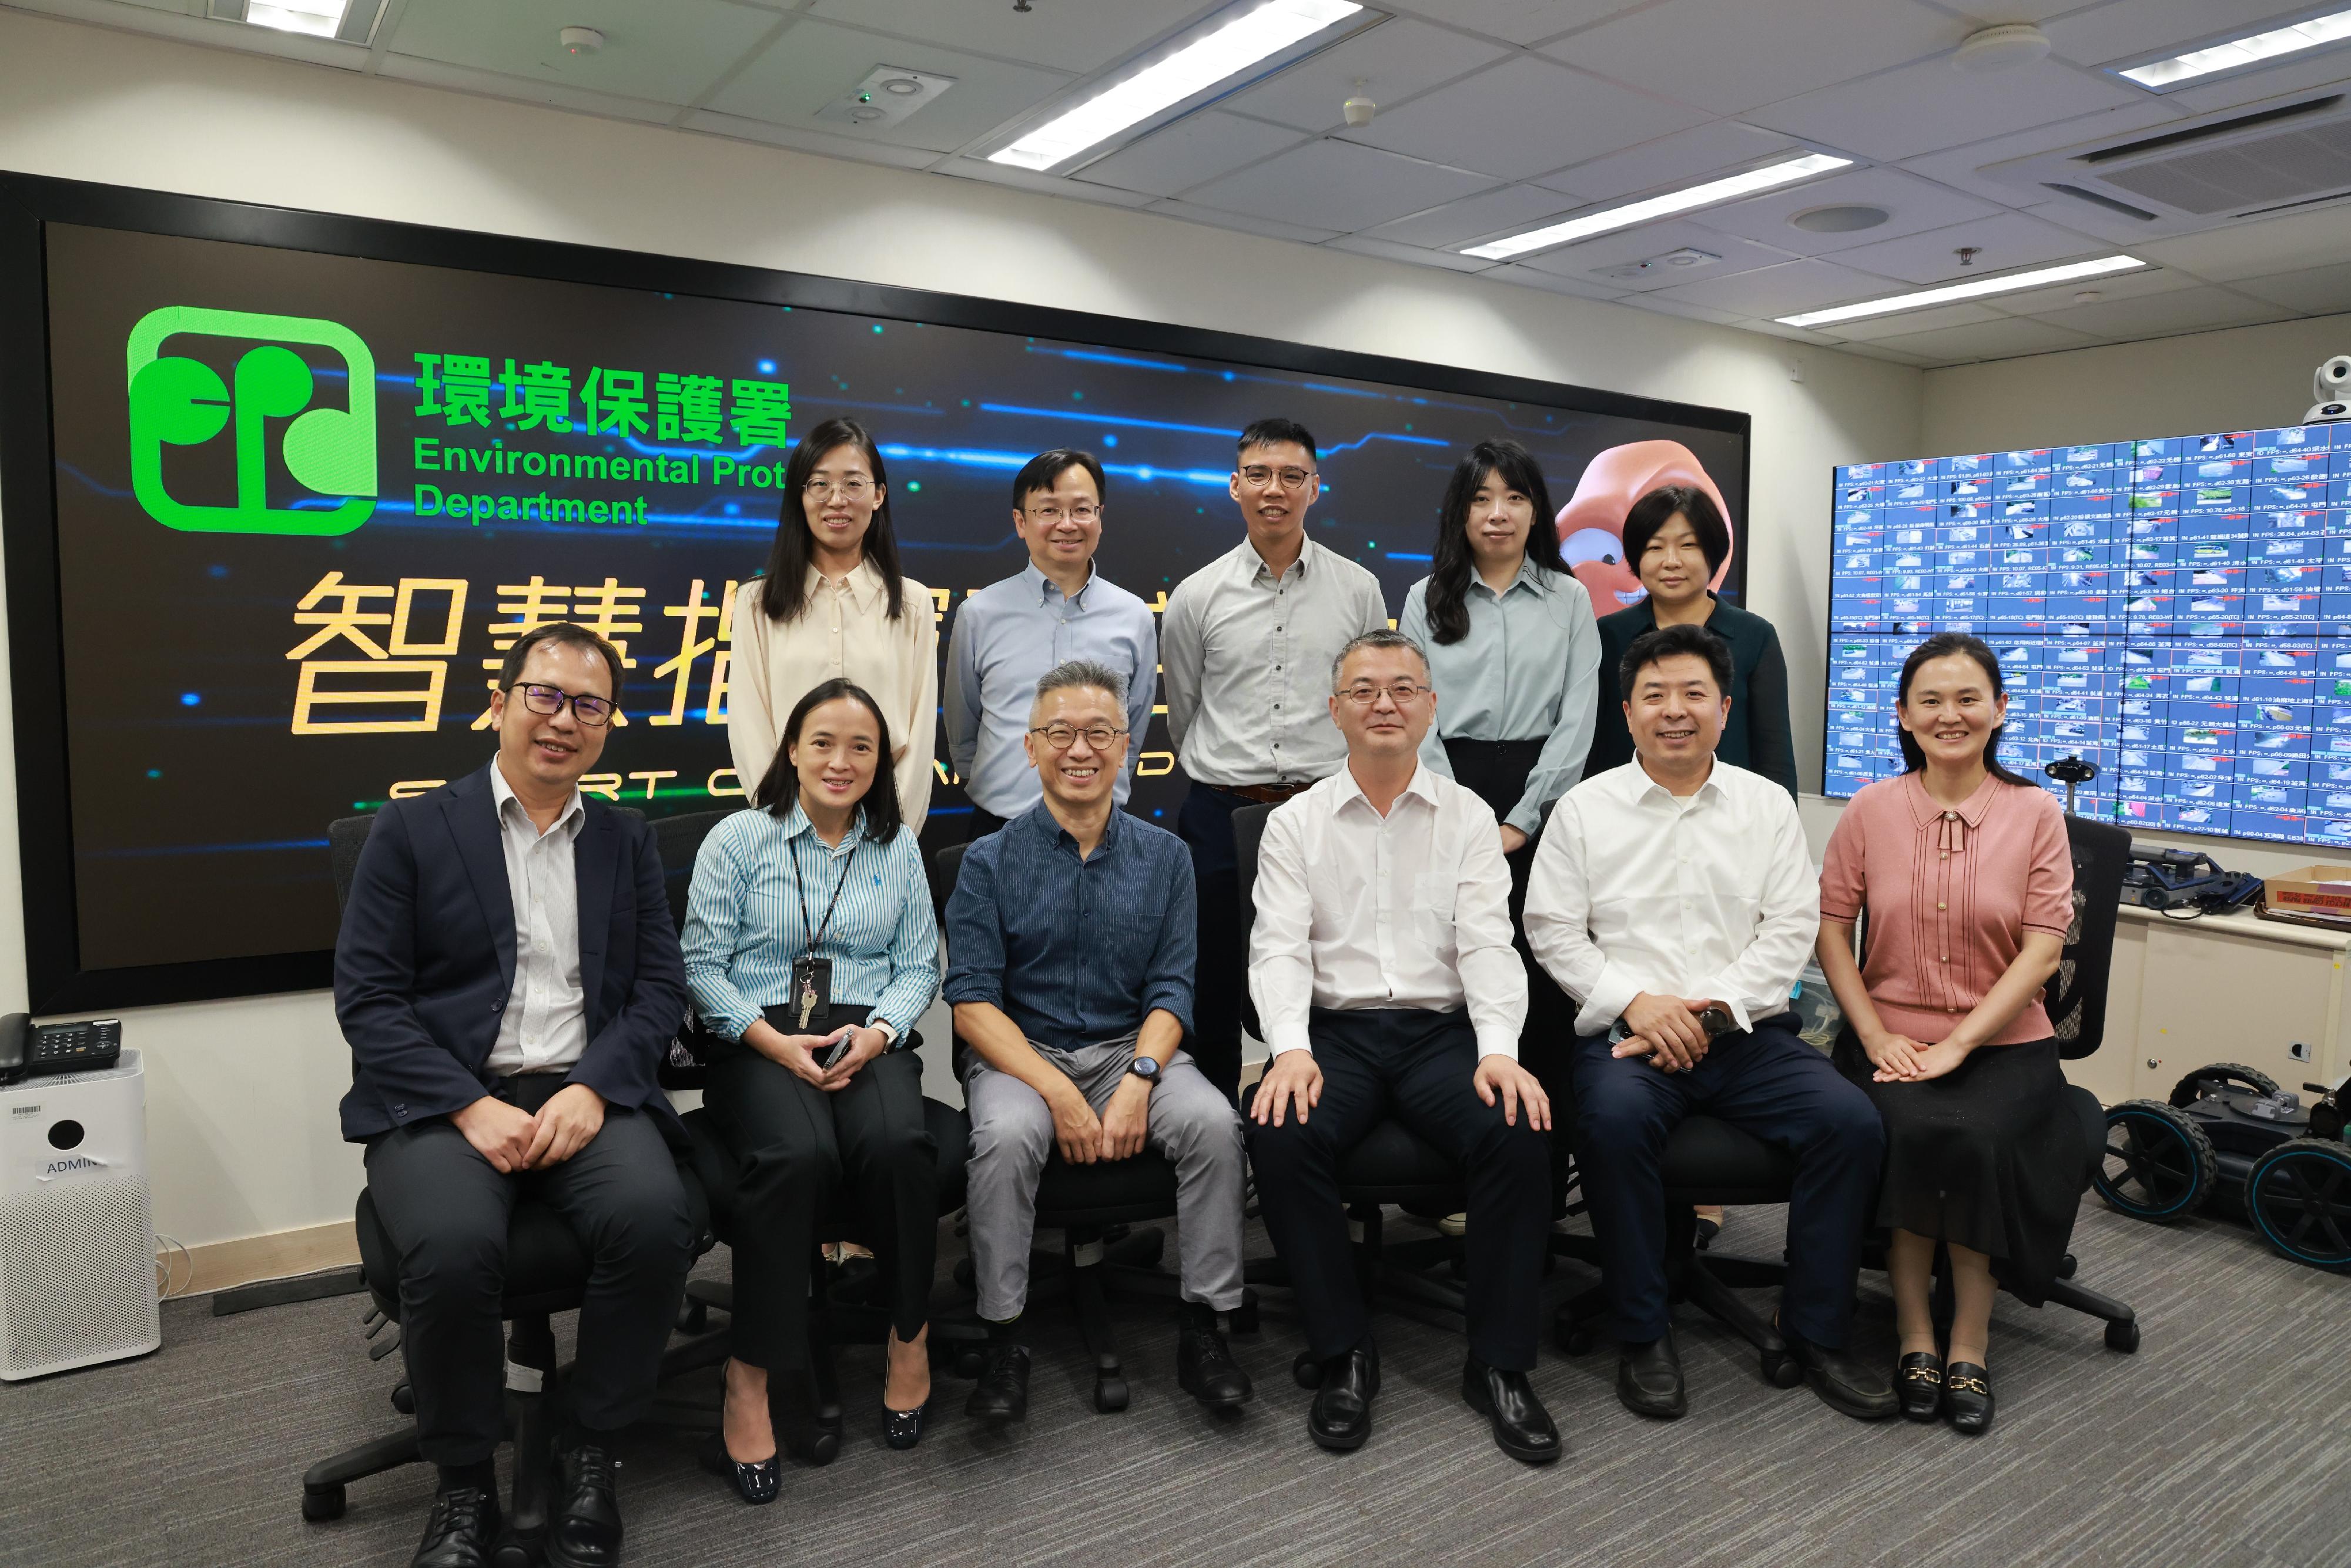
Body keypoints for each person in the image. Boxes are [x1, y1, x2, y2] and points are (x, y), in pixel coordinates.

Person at [334, 622, 695, 1568]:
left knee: (659, 1218)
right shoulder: (409, 831)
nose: (563, 721)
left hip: (585, 1091)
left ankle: (593, 1448)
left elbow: (660, 990)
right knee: (452, 1250)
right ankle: (461, 1487)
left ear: (607, 727)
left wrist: (594, 1089)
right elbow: (368, 1001)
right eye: (544, 695)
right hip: (449, 1101)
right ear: (497, 706)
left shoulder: (623, 839)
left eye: (589, 706)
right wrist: (466, 1105)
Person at [1525, 622, 1893, 1425]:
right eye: (1654, 696)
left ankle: (1817, 1328)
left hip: (1745, 1037)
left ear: (1725, 709)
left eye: (1694, 694)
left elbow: (1791, 925)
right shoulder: (1585, 809)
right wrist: (1640, 1002)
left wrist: (1712, 1008)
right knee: (1614, 1125)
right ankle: (1641, 1327)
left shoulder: (1764, 806)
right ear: (1628, 713)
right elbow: (1551, 926)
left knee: (1849, 1122)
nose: (1675, 711)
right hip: (1629, 1036)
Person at [1247, 629, 1560, 1465]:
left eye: (1402, 689)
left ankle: (1498, 1363)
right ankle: (1345, 1349)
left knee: (1520, 1129)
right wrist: (1287, 1049)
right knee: (1279, 1132)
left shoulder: (1467, 819)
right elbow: (1277, 948)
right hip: (1334, 1035)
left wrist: (1500, 1049)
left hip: (1440, 1034)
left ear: (1429, 706)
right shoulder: (1294, 824)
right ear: (1335, 708)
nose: (1383, 703)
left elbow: (1490, 943)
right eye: (1364, 689)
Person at [943, 659, 1251, 1422]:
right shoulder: (988, 861)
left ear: (1126, 747)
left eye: (1099, 734)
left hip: (1130, 1046)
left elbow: (1173, 989)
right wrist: (1055, 1094)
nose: (1080, 750)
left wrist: (1141, 1079)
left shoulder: (1167, 858)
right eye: (1060, 734)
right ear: (1030, 747)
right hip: (1024, 1054)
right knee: (1008, 1136)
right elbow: (973, 1004)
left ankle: (1205, 1328)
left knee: (1214, 1125)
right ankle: (1003, 1337)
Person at [684, 679, 942, 1500]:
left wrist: (879, 1034)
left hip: (865, 1032)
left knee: (900, 1143)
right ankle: (750, 1374)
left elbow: (918, 965)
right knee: (796, 1153)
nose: (840, 761)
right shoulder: (738, 839)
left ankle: (909, 1333)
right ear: (791, 749)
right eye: (823, 742)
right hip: (757, 1036)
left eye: (861, 746)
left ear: (883, 760)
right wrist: (772, 1044)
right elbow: (701, 967)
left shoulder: (895, 845)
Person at [1814, 632, 2077, 1438]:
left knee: (1975, 1136)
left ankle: (1970, 1340)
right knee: (1910, 1128)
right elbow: (1831, 932)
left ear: (2000, 710)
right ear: (1902, 715)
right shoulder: (1869, 809)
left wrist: (1960, 1044)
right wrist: (1871, 1033)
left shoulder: (2036, 813)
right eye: (1930, 700)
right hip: (1887, 1035)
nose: (1950, 715)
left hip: (2005, 1045)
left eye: (1969, 699)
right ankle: (1914, 1335)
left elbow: (2044, 947)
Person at [1162, 418, 1389, 1101]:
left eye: (1292, 476)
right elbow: (1184, 709)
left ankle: (1318, 1129)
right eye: (1258, 475)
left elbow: (1372, 700)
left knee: (1331, 975)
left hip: (1326, 813)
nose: (1274, 490)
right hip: (1220, 811)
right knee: (1214, 984)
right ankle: (1218, 1146)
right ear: (1234, 486)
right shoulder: (1197, 596)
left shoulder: (1357, 590)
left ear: (1315, 488)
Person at [1398, 437, 1600, 1108]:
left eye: (1514, 498)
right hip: (1447, 791)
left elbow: (1577, 722)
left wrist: (1522, 818)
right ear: (1460, 512)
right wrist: (1463, 814)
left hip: (1544, 799)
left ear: (1536, 511)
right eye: (1481, 498)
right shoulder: (1424, 598)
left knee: (1542, 971)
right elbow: (1412, 714)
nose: (1498, 513)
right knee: (1451, 966)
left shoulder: (1569, 599)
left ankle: (1542, 1158)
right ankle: (1454, 1164)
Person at [730, 417, 939, 831]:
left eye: (853, 484)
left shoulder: (912, 602)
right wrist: (780, 826)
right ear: (800, 497)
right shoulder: (757, 602)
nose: (836, 499)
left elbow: (919, 735)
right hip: (783, 824)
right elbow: (749, 726)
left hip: (885, 823)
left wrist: (894, 834)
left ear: (878, 495)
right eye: (819, 484)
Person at [945, 450, 1157, 839]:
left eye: (1081, 509)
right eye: (1048, 510)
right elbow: (963, 731)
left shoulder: (1134, 616)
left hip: (1103, 831)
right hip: (1000, 830)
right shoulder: (979, 613)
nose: (1067, 524)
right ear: (1020, 522)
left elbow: (1133, 730)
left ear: (1099, 517)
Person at [1589, 485, 1797, 799]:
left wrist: (1781, 822)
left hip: (1728, 814)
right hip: (1628, 815)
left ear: (1712, 552)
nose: (1671, 562)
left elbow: (1774, 753)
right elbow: (1593, 744)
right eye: (1655, 548)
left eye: (1688, 545)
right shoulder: (1609, 635)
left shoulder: (1754, 635)